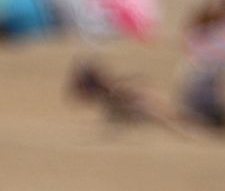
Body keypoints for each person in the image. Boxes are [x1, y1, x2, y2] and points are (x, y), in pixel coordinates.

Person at [67, 59, 196, 137]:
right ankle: (185, 125)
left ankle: (185, 124)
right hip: (127, 110)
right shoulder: (112, 87)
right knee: (157, 110)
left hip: (129, 109)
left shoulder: (113, 87)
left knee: (159, 110)